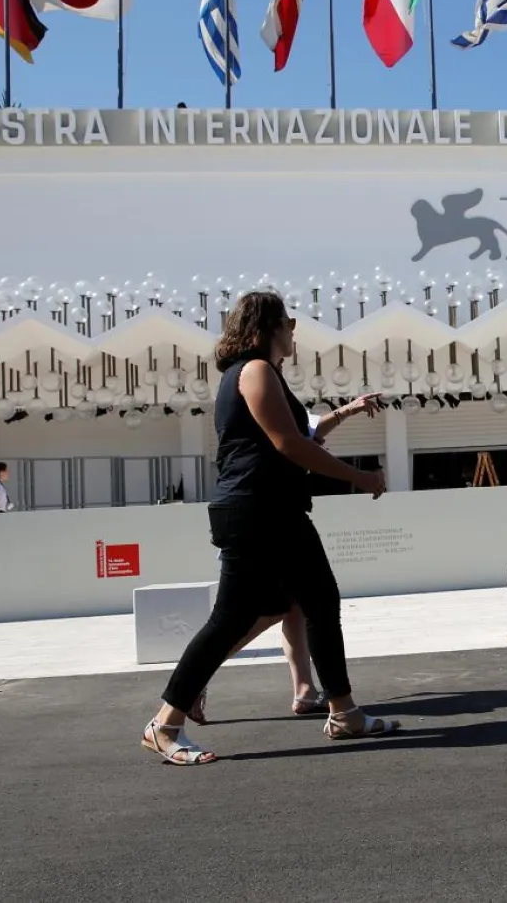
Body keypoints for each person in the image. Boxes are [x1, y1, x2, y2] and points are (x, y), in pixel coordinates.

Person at [141, 291, 397, 766]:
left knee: (314, 601)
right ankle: (165, 722)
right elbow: (289, 446)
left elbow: (301, 435)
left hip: (270, 510)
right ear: (265, 329)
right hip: (258, 511)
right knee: (236, 618)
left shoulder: (264, 374)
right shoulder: (255, 371)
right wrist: (358, 477)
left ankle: (343, 712)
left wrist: (346, 414)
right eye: (288, 321)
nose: (294, 329)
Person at [184, 393, 385, 726]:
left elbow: (312, 429)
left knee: (293, 605)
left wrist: (349, 409)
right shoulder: (260, 388)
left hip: (267, 516)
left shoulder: (267, 394)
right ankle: (191, 683)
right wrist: (357, 474)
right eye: (288, 336)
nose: (291, 341)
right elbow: (300, 440)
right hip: (264, 520)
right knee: (257, 613)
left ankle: (305, 690)